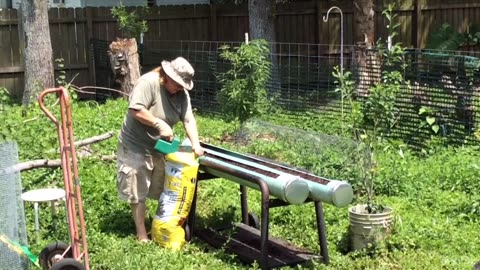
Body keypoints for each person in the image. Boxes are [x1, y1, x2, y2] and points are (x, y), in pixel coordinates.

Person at [116, 57, 204, 242]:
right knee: (138, 190)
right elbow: (135, 109)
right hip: (135, 145)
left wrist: (195, 143)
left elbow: (188, 120)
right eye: (178, 84)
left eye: (183, 85)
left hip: (159, 148)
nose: (180, 88)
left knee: (160, 188)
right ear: (167, 76)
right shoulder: (148, 82)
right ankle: (141, 233)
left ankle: (158, 225)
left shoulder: (181, 94)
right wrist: (159, 124)